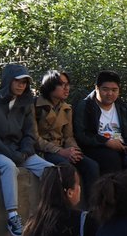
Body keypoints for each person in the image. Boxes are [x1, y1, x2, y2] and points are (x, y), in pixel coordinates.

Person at [0, 63, 54, 236]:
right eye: (18, 81)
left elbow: (30, 133)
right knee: (9, 167)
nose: (21, 85)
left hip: (20, 152)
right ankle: (12, 216)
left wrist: (25, 151)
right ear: (8, 80)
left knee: (52, 171)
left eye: (25, 82)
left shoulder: (26, 104)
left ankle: (50, 214)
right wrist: (12, 155)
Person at [75, 71, 127, 182]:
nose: (110, 93)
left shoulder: (122, 107)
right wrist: (106, 142)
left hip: (123, 147)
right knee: (111, 158)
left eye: (114, 90)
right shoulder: (85, 106)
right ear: (97, 88)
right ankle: (112, 192)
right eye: (105, 89)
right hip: (97, 147)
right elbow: (82, 134)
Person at [34, 69, 99, 197]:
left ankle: (92, 206)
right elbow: (34, 138)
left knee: (91, 166)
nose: (66, 88)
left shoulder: (66, 108)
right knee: (66, 168)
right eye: (61, 84)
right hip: (44, 151)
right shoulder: (34, 106)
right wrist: (60, 151)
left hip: (63, 149)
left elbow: (68, 136)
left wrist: (74, 150)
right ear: (50, 86)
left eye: (68, 84)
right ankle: (64, 204)